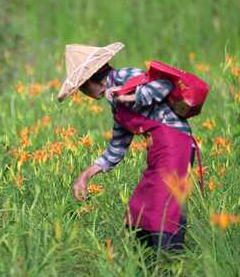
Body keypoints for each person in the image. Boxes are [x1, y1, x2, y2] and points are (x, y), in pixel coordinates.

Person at [57, 42, 195, 251]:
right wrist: (85, 176)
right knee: (138, 212)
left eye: (82, 88)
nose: (84, 93)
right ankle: (145, 266)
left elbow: (164, 84)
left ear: (89, 83)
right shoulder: (114, 102)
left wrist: (130, 96)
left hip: (176, 145)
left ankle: (170, 265)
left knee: (165, 210)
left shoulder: (122, 76)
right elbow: (118, 146)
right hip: (159, 150)